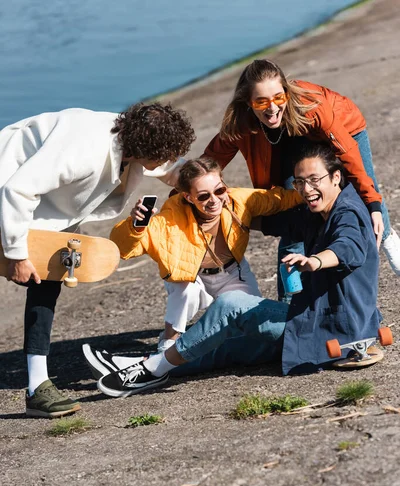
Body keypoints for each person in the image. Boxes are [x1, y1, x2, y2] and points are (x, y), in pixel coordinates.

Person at [85, 141, 382, 397]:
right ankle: (146, 363)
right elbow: (283, 222)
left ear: (336, 177)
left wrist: (316, 261)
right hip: (317, 320)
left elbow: (348, 247)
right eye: (300, 182)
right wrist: (233, 214)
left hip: (335, 329)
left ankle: (152, 369)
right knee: (229, 347)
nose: (306, 189)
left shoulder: (347, 213)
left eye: (314, 180)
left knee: (231, 305)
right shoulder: (317, 213)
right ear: (189, 197)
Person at [0, 102, 196, 417]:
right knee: (35, 273)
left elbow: (172, 169)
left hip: (45, 207)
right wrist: (16, 254)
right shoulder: (82, 151)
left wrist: (206, 185)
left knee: (49, 279)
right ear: (144, 149)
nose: (168, 160)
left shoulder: (133, 141)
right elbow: (17, 190)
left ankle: (38, 388)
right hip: (8, 187)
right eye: (165, 153)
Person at [203, 59, 400, 297]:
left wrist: (374, 205)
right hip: (292, 149)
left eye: (278, 97)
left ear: (286, 92)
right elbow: (208, 165)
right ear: (248, 102)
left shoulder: (312, 106)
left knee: (369, 202)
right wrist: (182, 196)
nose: (272, 107)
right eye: (261, 101)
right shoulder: (241, 124)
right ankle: (287, 304)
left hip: (345, 131)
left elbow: (347, 153)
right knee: (292, 219)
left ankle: (391, 244)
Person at [99, 157, 302, 355]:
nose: (214, 200)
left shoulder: (238, 200)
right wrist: (135, 226)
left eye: (219, 190)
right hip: (192, 277)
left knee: (251, 323)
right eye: (204, 196)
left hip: (232, 273)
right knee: (186, 291)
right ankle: (168, 343)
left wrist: (313, 193)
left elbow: (278, 200)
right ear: (188, 197)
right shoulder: (170, 220)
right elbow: (123, 248)